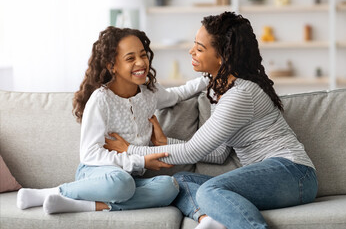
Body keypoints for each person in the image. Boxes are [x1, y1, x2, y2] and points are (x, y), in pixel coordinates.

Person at [104, 12, 318, 229]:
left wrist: (130, 150)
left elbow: (192, 152)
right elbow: (218, 153)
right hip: (276, 176)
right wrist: (164, 143)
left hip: (293, 173)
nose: (191, 51)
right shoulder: (220, 90)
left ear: (222, 56)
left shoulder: (240, 94)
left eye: (199, 48)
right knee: (180, 182)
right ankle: (211, 221)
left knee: (209, 191)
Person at [16, 26, 230, 214]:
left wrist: (209, 77)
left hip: (132, 178)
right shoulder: (101, 100)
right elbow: (90, 154)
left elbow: (178, 94)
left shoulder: (149, 93)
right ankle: (52, 193)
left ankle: (81, 205)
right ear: (112, 66)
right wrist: (139, 161)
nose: (140, 62)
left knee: (169, 187)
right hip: (99, 174)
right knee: (120, 182)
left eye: (143, 55)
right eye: (130, 58)